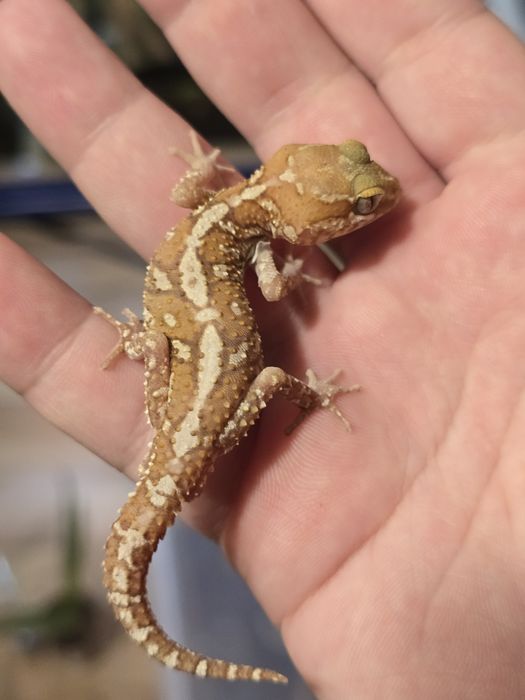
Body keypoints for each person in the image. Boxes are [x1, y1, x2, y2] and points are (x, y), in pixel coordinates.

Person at [1, 1, 524, 697]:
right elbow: (274, 288)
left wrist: (202, 189)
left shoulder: (220, 206)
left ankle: (153, 345)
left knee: (197, 365)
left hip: (181, 390)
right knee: (273, 378)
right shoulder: (261, 246)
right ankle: (291, 393)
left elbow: (189, 191)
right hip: (211, 402)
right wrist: (304, 340)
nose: (375, 201)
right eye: (360, 205)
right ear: (306, 223)